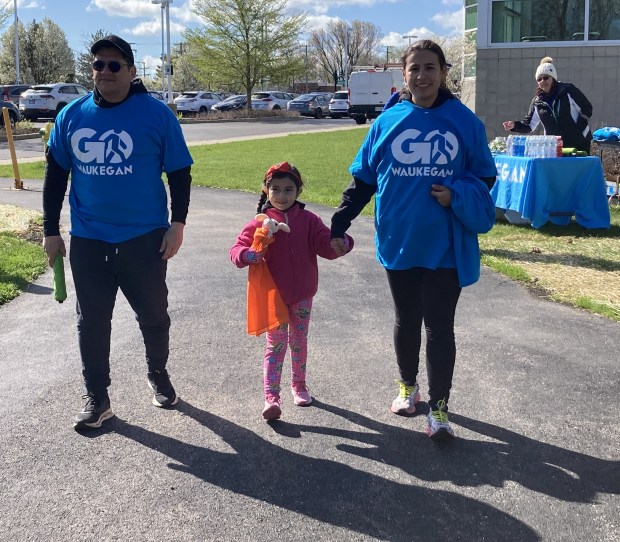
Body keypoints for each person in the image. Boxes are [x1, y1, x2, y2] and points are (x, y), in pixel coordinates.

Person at [330, 40, 496, 442]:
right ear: (404, 76)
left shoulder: (464, 121)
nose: (422, 75)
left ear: (443, 73)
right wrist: (340, 222)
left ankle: (439, 408)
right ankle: (408, 387)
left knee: (440, 327)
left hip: (445, 245)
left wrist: (455, 193)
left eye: (430, 68)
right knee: (406, 321)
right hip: (398, 240)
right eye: (415, 69)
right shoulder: (387, 121)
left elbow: (486, 178)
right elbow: (364, 180)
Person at [42, 35, 194, 430]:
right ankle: (98, 396)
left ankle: (157, 373)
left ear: (130, 71)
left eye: (114, 65)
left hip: (144, 237)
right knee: (91, 320)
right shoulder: (72, 115)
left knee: (153, 314)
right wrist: (50, 230)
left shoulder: (157, 115)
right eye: (98, 64)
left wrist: (177, 224)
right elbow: (56, 175)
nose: (104, 71)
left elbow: (179, 172)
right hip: (89, 238)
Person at [230, 162, 354, 420]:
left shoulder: (309, 220)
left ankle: (299, 386)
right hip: (272, 296)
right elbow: (236, 249)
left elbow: (326, 246)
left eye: (289, 189)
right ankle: (271, 397)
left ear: (298, 191)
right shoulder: (259, 223)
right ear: (266, 190)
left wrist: (343, 243)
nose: (282, 195)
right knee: (276, 346)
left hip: (302, 294)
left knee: (298, 343)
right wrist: (247, 254)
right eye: (275, 189)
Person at [502, 56, 593, 154]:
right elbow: (529, 125)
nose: (542, 81)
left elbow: (586, 107)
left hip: (579, 143)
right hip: (554, 147)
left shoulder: (568, 91)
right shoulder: (537, 102)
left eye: (546, 78)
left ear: (553, 78)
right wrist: (514, 125)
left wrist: (578, 129)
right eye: (539, 79)